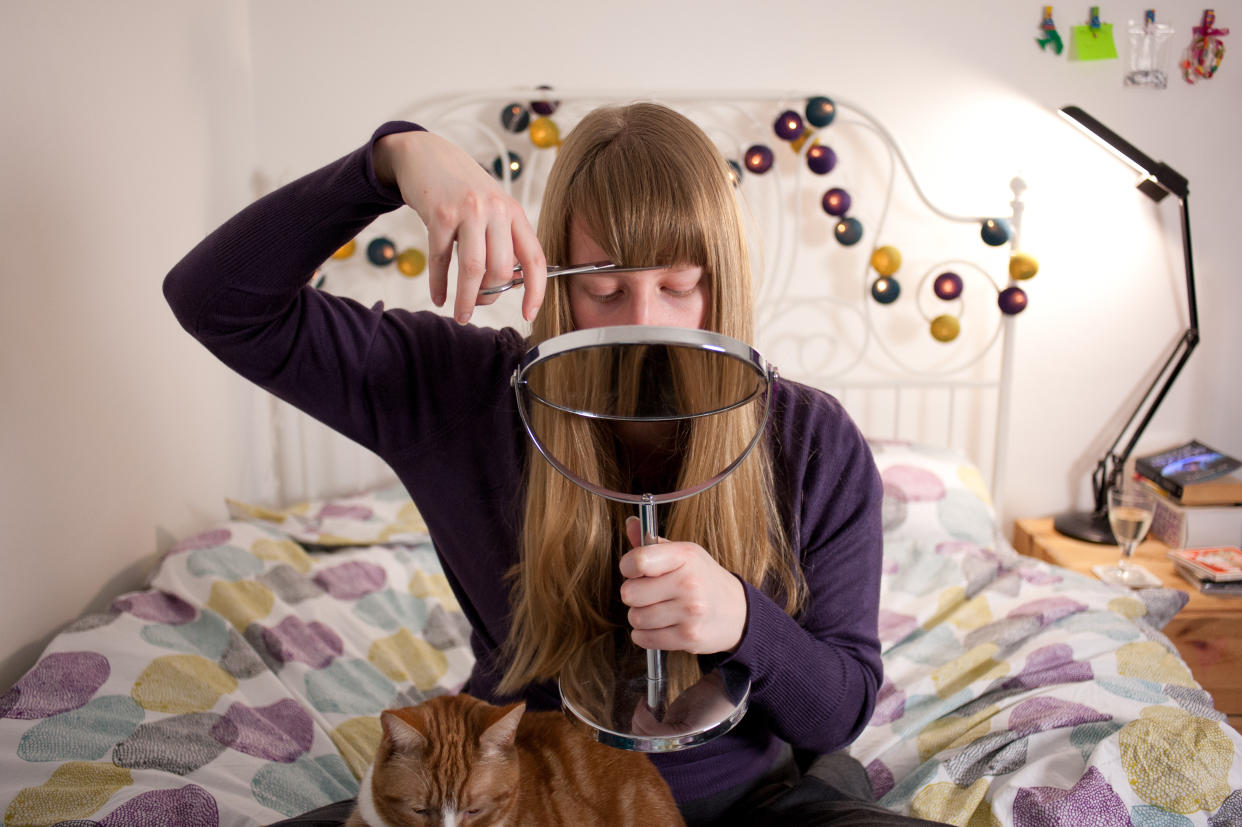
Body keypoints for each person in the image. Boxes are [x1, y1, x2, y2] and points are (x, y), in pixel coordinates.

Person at [165, 102, 943, 826]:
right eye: (603, 287)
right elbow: (215, 299)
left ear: (723, 282)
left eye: (678, 286)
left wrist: (745, 621)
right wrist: (393, 160)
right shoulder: (465, 393)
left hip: (751, 806)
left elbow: (838, 712)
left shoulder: (810, 441)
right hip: (520, 801)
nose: (643, 324)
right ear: (555, 281)